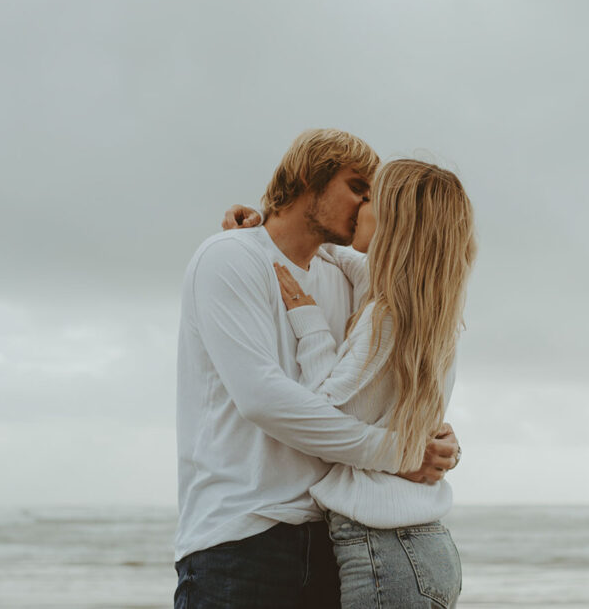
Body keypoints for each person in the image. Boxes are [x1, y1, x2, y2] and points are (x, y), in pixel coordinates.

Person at [175, 130, 460, 609]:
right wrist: (398, 452)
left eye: (374, 195)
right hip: (243, 537)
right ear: (310, 177)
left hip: (334, 539)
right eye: (357, 188)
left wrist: (432, 439)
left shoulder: (343, 274)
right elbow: (263, 398)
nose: (367, 206)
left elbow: (380, 386)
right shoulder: (230, 258)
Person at [269, 159, 476, 608]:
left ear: (392, 222)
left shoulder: (385, 320)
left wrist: (309, 324)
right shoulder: (423, 311)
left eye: (370, 199)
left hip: (387, 554)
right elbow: (338, 254)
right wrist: (262, 226)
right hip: (416, 549)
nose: (359, 207)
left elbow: (324, 416)